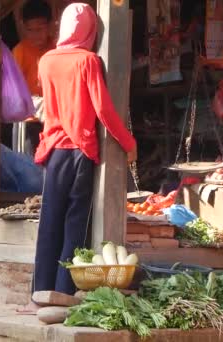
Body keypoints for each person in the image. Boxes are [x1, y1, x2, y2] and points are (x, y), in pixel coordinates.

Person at [18, 3, 137, 314]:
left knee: (49, 224)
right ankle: (62, 292)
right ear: (89, 30)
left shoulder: (46, 60)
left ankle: (38, 294)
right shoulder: (89, 61)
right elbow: (104, 111)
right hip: (79, 152)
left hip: (53, 151)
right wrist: (128, 142)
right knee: (75, 225)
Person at [12, 0, 55, 155]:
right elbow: (15, 91)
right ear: (23, 26)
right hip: (29, 121)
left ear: (50, 25)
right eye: (30, 30)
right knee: (28, 167)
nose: (35, 35)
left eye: (40, 29)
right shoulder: (19, 52)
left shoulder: (56, 48)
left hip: (54, 120)